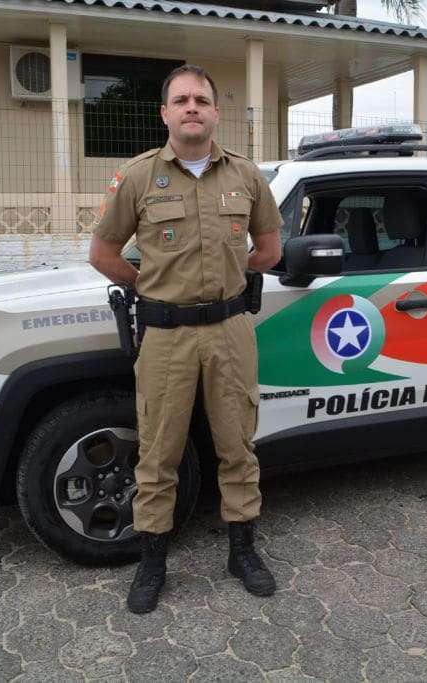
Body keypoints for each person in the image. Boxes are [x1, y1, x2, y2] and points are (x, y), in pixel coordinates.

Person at [89, 65, 283, 613]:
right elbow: (103, 255)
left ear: (216, 112)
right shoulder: (138, 178)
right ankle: (153, 562)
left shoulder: (246, 177)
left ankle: (242, 552)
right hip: (166, 336)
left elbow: (268, 250)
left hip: (230, 331)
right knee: (158, 453)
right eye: (182, 100)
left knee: (237, 447)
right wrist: (149, 287)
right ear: (165, 113)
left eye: (202, 98)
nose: (192, 107)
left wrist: (229, 275)